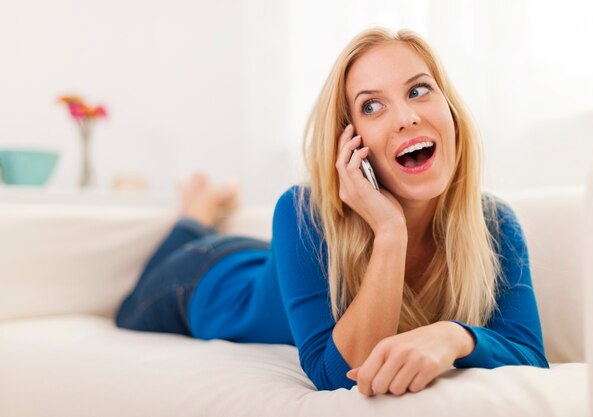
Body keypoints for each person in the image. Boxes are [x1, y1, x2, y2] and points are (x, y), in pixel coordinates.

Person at [116, 27, 548, 396]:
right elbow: (337, 376)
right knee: (127, 311)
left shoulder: (495, 223)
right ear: (351, 143)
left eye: (418, 90)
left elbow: (530, 358)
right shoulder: (301, 211)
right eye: (371, 106)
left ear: (450, 110)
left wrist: (454, 336)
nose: (406, 117)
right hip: (203, 280)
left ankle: (203, 212)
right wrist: (390, 232)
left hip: (272, 264)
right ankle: (195, 217)